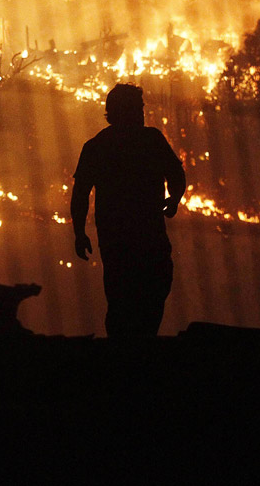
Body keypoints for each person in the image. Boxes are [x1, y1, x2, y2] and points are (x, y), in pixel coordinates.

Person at [70, 83, 186, 336]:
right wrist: (174, 198)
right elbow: (176, 173)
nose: (142, 113)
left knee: (124, 297)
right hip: (140, 236)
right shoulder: (149, 140)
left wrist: (79, 233)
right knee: (147, 290)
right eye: (138, 108)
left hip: (119, 237)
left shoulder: (97, 146)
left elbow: (80, 194)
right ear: (125, 111)